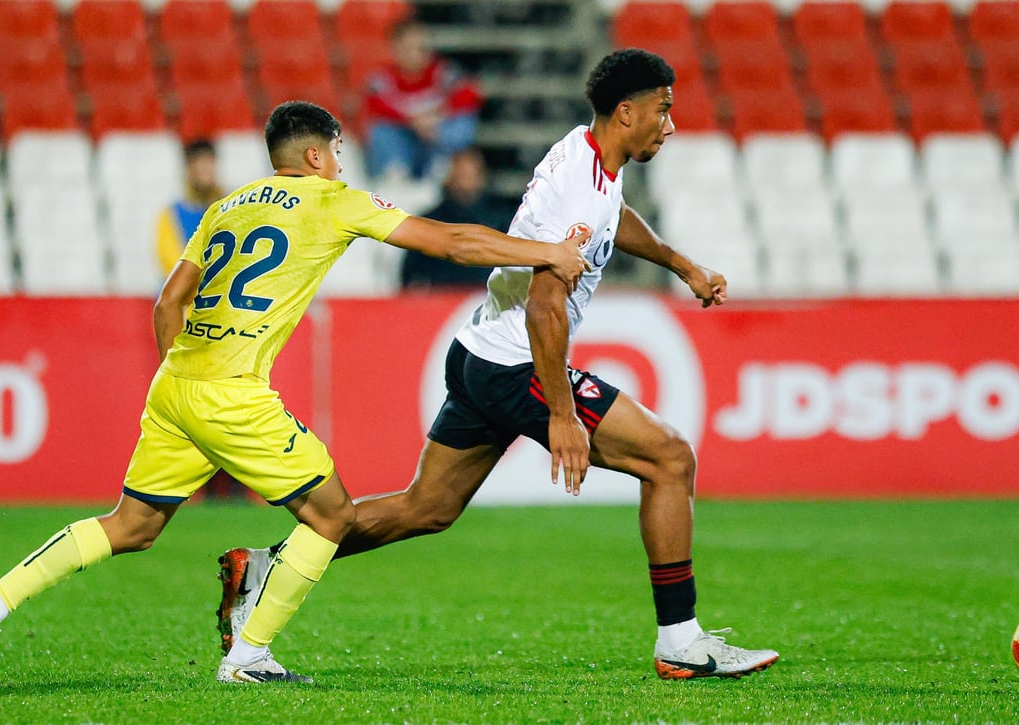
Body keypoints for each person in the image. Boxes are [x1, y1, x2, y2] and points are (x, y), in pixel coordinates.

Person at [0, 100, 591, 687]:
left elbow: (170, 300)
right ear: (314, 156)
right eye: (335, 151)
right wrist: (547, 253)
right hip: (231, 394)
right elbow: (449, 241)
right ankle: (248, 654)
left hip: (177, 382)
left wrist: (187, 380)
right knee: (332, 513)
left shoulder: (229, 204)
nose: (339, 163)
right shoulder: (333, 200)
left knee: (131, 524)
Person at [217, 50, 780, 680]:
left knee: (426, 509)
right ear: (628, 112)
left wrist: (684, 266)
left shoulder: (589, 154)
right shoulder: (580, 189)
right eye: (664, 110)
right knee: (670, 458)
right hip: (518, 365)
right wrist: (562, 414)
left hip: (479, 354)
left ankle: (265, 570)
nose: (670, 125)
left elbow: (612, 218)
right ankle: (681, 641)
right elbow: (546, 307)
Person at [364, 20, 482, 180]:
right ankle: (395, 174)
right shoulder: (384, 79)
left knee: (462, 124)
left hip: (437, 136)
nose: (414, 55)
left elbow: (470, 93)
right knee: (381, 131)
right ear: (395, 49)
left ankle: (446, 169)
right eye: (407, 49)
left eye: (420, 49)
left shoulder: (442, 73)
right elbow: (375, 105)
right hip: (404, 138)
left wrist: (438, 118)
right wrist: (412, 121)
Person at [400, 147, 513, 290]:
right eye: (460, 175)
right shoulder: (429, 223)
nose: (465, 183)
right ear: (449, 176)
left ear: (481, 177)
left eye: (470, 175)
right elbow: (410, 276)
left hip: (489, 299)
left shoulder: (500, 221)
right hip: (441, 302)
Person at [156, 138, 225, 277]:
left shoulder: (231, 208)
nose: (205, 169)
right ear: (188, 170)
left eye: (208, 163)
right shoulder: (171, 215)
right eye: (199, 164)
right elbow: (173, 266)